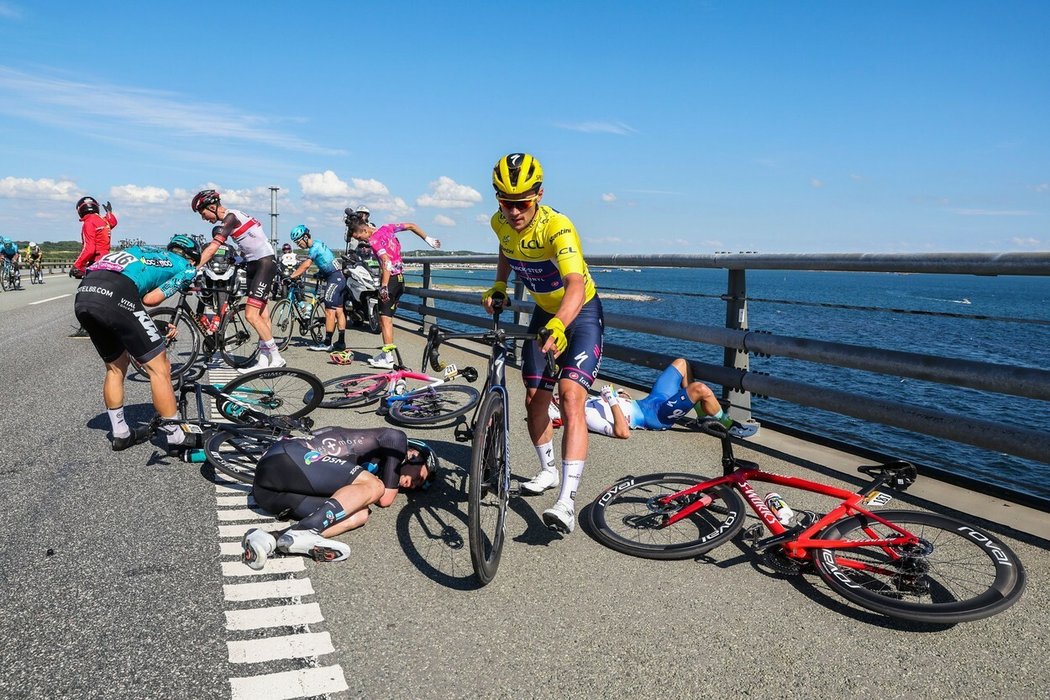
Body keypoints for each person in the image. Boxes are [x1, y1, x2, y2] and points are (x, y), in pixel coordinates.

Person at [482, 152, 604, 535]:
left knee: (569, 397)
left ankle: (566, 500)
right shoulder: (499, 221)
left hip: (579, 312)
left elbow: (575, 284)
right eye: (506, 202)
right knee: (534, 397)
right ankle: (548, 470)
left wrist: (560, 323)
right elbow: (506, 247)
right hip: (543, 312)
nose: (514, 211)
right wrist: (501, 284)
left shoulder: (558, 227)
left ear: (539, 194)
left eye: (522, 203)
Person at [73, 235, 202, 451]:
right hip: (116, 294)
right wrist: (188, 274)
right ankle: (176, 436)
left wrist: (156, 325)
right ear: (191, 257)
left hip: (85, 295)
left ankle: (121, 433)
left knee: (115, 368)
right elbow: (149, 300)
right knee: (160, 368)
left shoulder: (144, 250)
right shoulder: (184, 266)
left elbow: (128, 310)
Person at [240, 427, 436, 569]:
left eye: (417, 487)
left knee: (359, 514)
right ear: (413, 454)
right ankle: (308, 529)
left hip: (269, 494)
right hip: (287, 456)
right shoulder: (396, 440)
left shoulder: (373, 468)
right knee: (374, 487)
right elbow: (385, 499)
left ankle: (272, 539)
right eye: (419, 477)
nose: (413, 484)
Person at [190, 189, 284, 371]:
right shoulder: (233, 218)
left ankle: (277, 356)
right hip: (253, 264)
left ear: (212, 206)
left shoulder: (231, 217)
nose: (204, 218)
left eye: (204, 214)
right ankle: (263, 360)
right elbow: (251, 243)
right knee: (262, 315)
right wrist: (239, 259)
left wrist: (193, 269)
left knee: (250, 315)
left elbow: (212, 248)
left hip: (264, 263)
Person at [550, 358, 759, 439]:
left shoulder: (585, 403)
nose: (560, 394)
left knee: (681, 364)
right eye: (557, 399)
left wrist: (619, 396)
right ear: (561, 409)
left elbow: (618, 407)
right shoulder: (585, 417)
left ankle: (704, 418)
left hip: (649, 402)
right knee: (699, 389)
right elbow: (622, 432)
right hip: (655, 417)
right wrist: (612, 400)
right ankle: (729, 426)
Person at [348, 218, 441, 368]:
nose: (360, 241)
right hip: (400, 280)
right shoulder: (387, 228)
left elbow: (386, 262)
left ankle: (388, 358)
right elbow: (411, 225)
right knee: (387, 318)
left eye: (359, 237)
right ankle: (387, 354)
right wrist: (427, 238)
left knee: (384, 319)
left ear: (365, 230)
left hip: (390, 280)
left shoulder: (374, 240)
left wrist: (383, 286)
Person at [288, 224, 348, 352]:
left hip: (334, 279)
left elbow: (306, 265)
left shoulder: (314, 247)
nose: (298, 245)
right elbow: (326, 260)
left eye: (298, 241)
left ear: (305, 237)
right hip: (339, 278)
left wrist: (292, 275)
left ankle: (327, 342)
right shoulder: (319, 243)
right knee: (339, 311)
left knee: (329, 311)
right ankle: (341, 342)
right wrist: (321, 272)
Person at [70, 197, 117, 337]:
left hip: (96, 263)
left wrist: (76, 265)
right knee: (102, 295)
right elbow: (113, 222)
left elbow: (89, 248)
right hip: (107, 261)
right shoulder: (103, 220)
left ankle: (86, 328)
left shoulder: (89, 222)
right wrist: (109, 213)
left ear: (80, 210)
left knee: (84, 296)